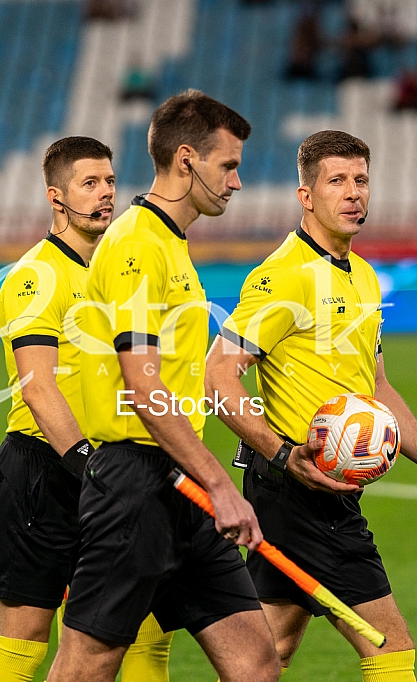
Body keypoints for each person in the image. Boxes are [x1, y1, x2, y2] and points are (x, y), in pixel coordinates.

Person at [205, 130, 417, 681]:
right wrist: (282, 454)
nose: (353, 192)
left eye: (361, 180)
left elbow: (377, 387)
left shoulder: (364, 277)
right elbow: (218, 376)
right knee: (390, 649)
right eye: (336, 181)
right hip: (300, 489)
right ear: (306, 196)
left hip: (308, 487)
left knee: (266, 655)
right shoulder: (284, 277)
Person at [46, 90, 281, 682]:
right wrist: (220, 483)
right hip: (134, 483)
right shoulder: (136, 245)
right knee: (88, 665)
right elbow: (143, 386)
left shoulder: (168, 244)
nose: (236, 182)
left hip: (181, 480)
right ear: (186, 160)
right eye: (228, 165)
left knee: (255, 660)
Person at [0, 136, 172, 682]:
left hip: (108, 467)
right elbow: (38, 389)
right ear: (56, 197)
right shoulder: (36, 276)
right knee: (24, 642)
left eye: (110, 181)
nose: (106, 193)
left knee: (143, 632)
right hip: (46, 470)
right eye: (89, 183)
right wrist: (90, 467)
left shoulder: (115, 271)